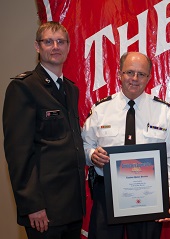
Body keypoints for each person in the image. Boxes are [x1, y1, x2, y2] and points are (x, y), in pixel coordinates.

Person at [82, 51, 170, 239]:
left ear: (149, 78)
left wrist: (169, 194)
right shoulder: (100, 109)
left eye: (141, 74)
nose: (134, 78)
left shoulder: (163, 111)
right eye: (129, 72)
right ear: (119, 74)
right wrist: (92, 155)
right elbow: (85, 144)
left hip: (149, 195)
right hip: (107, 193)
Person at [2, 21, 86, 239]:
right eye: (48, 41)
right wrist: (32, 205)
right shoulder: (23, 88)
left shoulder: (70, 89)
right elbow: (18, 154)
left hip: (72, 207)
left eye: (60, 42)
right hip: (44, 211)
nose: (55, 46)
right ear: (37, 47)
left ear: (68, 47)